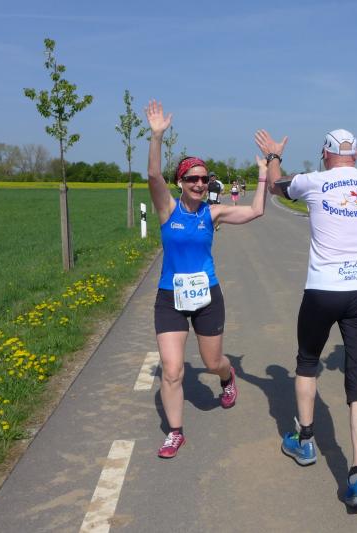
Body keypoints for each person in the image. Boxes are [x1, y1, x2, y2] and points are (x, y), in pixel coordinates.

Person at [255, 127, 357, 508]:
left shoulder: (313, 181)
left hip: (323, 290)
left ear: (325, 154)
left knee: (307, 363)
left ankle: (305, 441)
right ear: (355, 155)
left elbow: (276, 187)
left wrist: (274, 155)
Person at [145, 100, 268, 458]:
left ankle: (228, 378)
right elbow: (153, 176)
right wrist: (157, 136)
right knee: (172, 371)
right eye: (192, 179)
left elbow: (256, 210)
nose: (199, 184)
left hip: (206, 297)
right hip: (170, 297)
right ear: (180, 182)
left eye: (204, 179)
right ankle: (175, 433)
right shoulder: (167, 209)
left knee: (213, 362)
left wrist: (263, 173)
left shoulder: (212, 214)